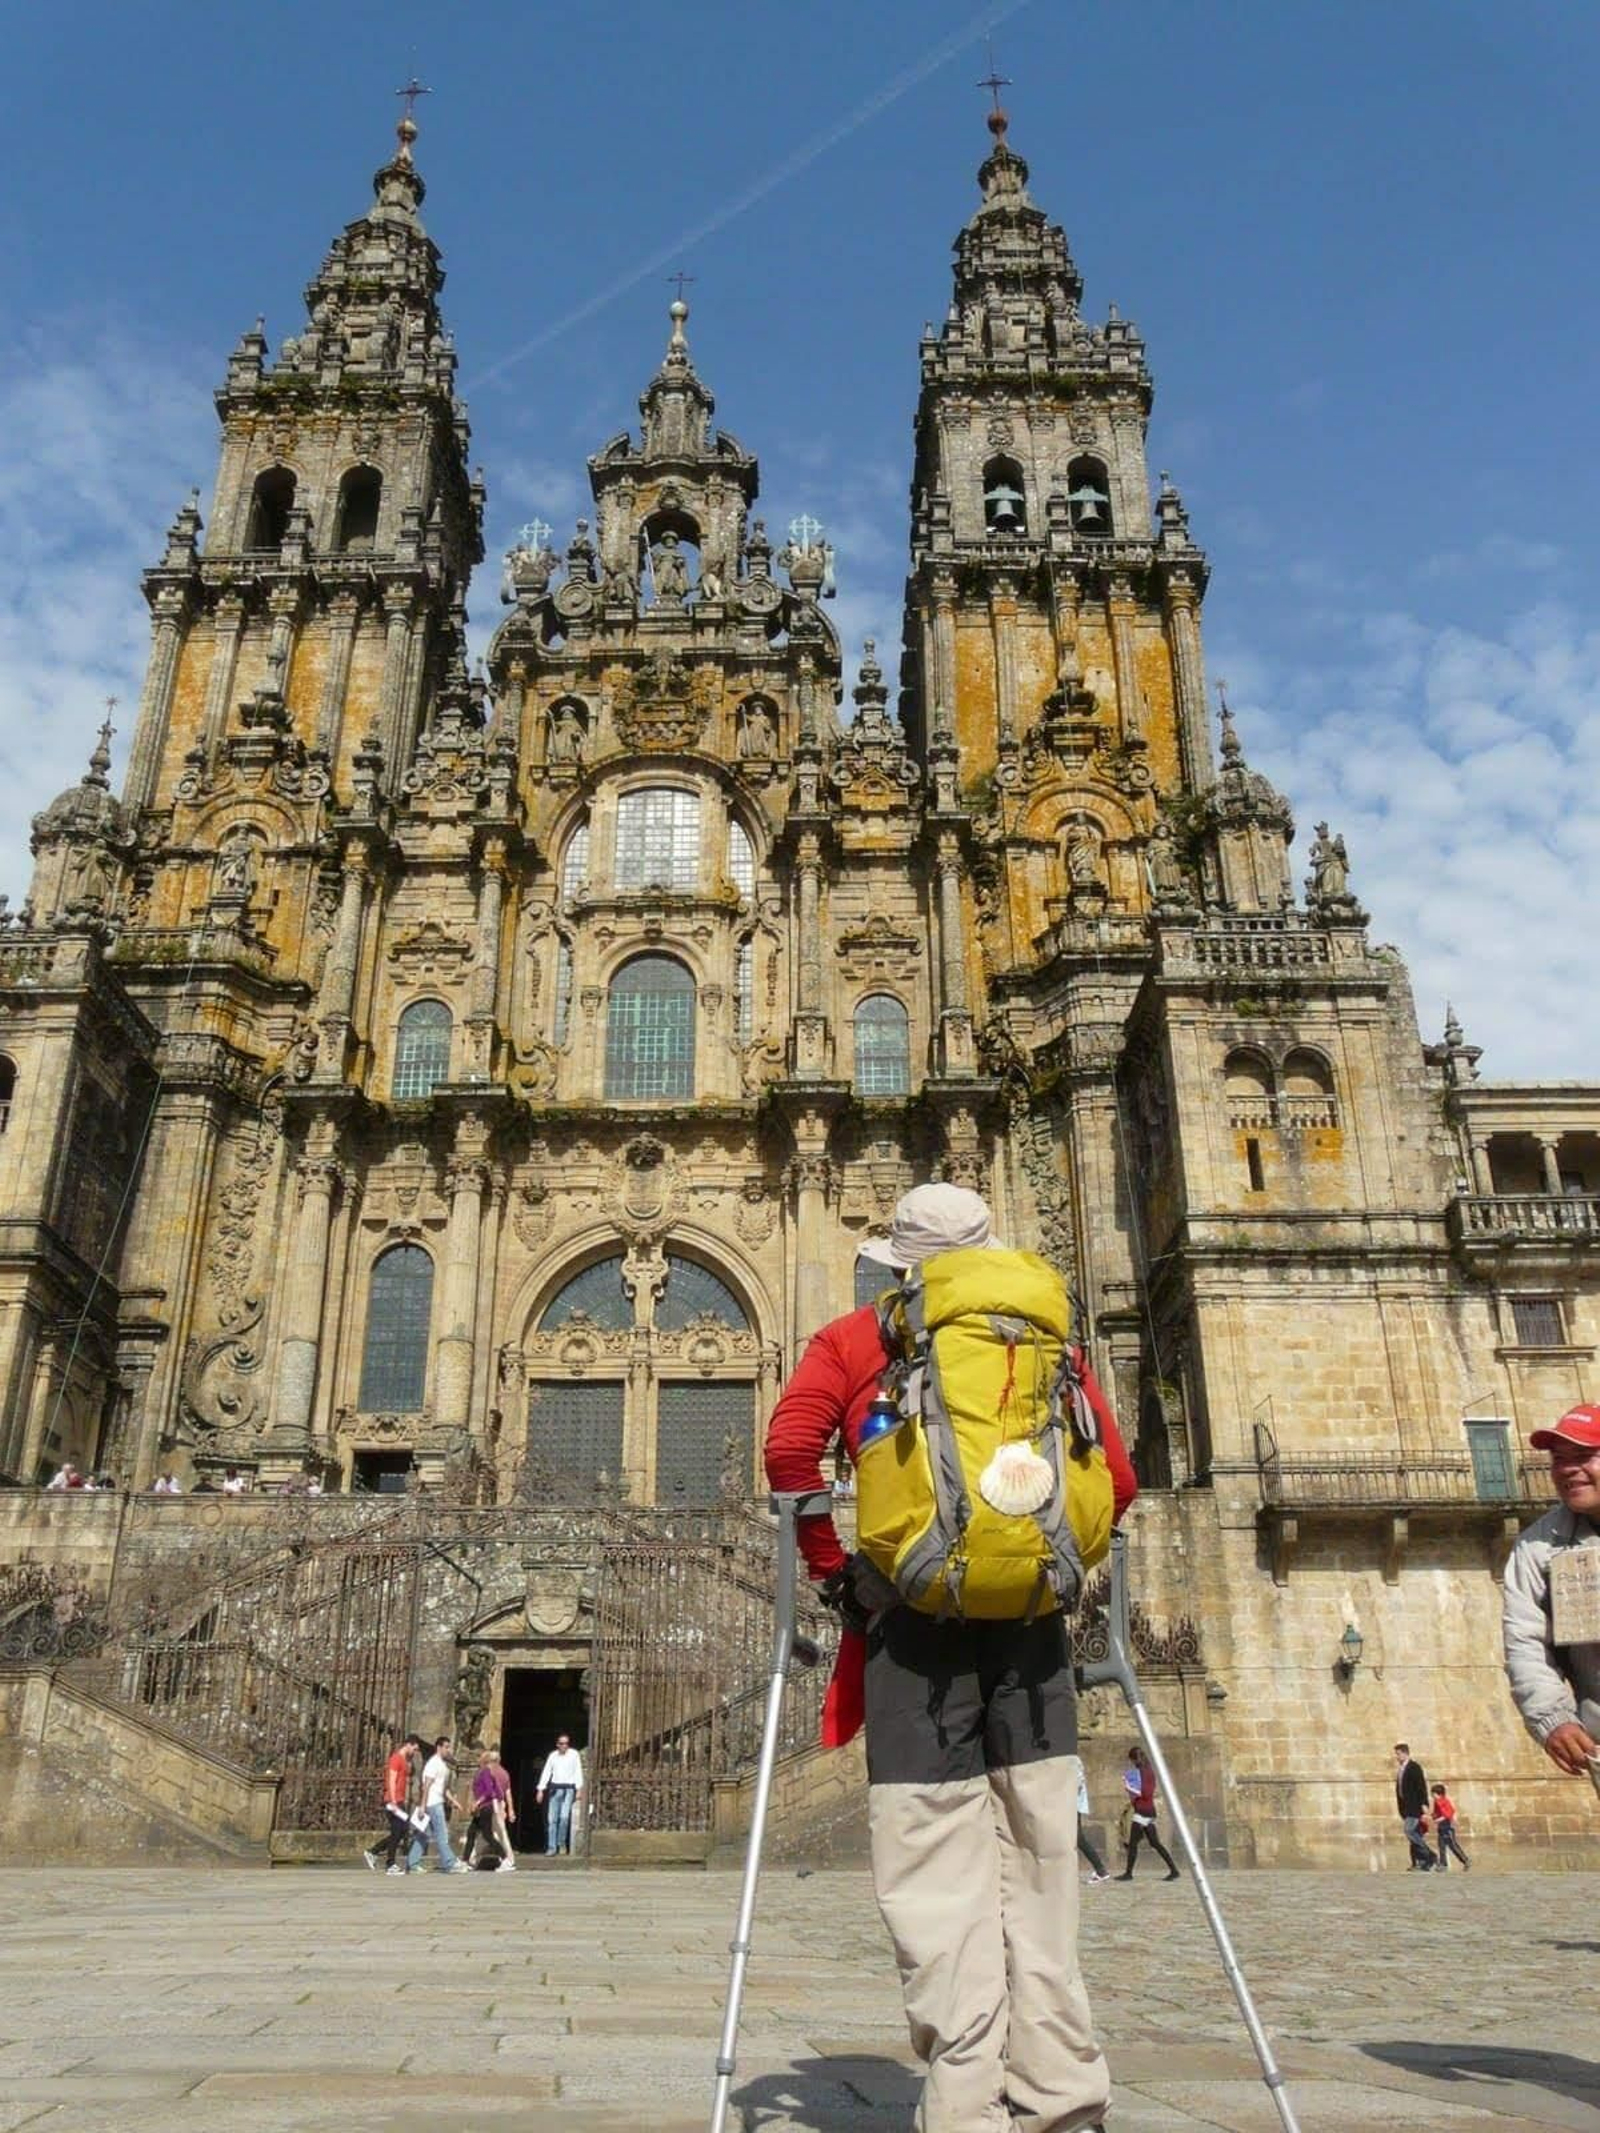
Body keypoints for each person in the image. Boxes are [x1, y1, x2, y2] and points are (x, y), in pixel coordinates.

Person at [764, 1181, 1137, 2133]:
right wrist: (1043, 1563)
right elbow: (1120, 1482)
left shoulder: (859, 1338)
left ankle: (967, 2105)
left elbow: (789, 1450)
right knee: (1045, 1858)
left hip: (913, 1632)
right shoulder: (1047, 1338)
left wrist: (838, 1573)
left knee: (936, 1872)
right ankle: (1063, 2096)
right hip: (1033, 1637)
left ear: (899, 1261)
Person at [1504, 1403, 1600, 1784]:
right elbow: (1524, 1643)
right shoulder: (1537, 1548)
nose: (1568, 1469)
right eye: (1559, 1459)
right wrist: (1552, 1719)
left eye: (1584, 1456)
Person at [1117, 1744, 1180, 1881]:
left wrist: (1128, 1787)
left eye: (1132, 1760)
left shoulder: (1145, 1772)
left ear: (1136, 1759)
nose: (1132, 1763)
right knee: (1154, 1843)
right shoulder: (1145, 1771)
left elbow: (1145, 1793)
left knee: (1133, 1843)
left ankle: (1128, 1874)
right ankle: (1174, 1870)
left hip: (1143, 1811)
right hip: (1147, 1810)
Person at [365, 1732, 423, 1875]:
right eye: (414, 1749)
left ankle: (374, 1851)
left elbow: (408, 1775)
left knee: (402, 1831)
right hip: (393, 1801)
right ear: (408, 1744)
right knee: (398, 1831)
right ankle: (390, 1864)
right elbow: (391, 1779)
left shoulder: (404, 1759)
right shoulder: (396, 1759)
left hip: (399, 1800)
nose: (415, 1752)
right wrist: (393, 1800)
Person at [419, 1735, 470, 1873]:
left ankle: (412, 1863)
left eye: (449, 1747)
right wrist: (423, 1805)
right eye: (446, 1747)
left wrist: (454, 1802)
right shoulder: (433, 1763)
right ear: (439, 1747)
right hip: (433, 1803)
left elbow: (443, 1788)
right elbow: (427, 1786)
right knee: (442, 1834)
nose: (448, 1750)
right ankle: (449, 1863)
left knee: (423, 1835)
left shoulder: (442, 1764)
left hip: (436, 1802)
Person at [537, 1733, 584, 1855]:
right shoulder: (553, 1756)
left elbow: (578, 1771)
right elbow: (546, 1772)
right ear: (557, 1744)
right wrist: (541, 1789)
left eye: (566, 1743)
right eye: (562, 1743)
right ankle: (551, 1847)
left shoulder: (574, 1754)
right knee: (552, 1819)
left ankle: (561, 1843)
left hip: (568, 1789)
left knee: (564, 1818)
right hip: (555, 1789)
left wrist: (579, 1788)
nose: (564, 1746)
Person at [1394, 1743, 1434, 1869]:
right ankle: (1420, 1862)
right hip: (1406, 1808)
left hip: (1414, 1807)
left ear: (1405, 1753)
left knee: (1409, 1831)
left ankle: (1430, 1855)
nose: (1397, 1756)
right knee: (1414, 1833)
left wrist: (1424, 1804)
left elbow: (1421, 1787)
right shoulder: (1401, 1769)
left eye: (1398, 1754)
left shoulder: (1414, 1767)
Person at [1076, 1766, 1111, 1884]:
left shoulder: (1072, 1761)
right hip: (1069, 1807)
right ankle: (1100, 1870)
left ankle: (1101, 1870)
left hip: (1070, 1808)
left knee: (1079, 1840)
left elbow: (1077, 1783)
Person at [1430, 1782, 1469, 1871]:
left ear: (1439, 1794)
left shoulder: (1443, 1801)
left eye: (1433, 1794)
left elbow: (1448, 1813)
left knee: (1453, 1845)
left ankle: (1465, 1860)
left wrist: (1437, 1820)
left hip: (1448, 1827)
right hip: (1442, 1827)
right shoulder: (1437, 1801)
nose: (1432, 1795)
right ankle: (1443, 1864)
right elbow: (1437, 1813)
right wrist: (1433, 1816)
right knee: (1441, 1846)